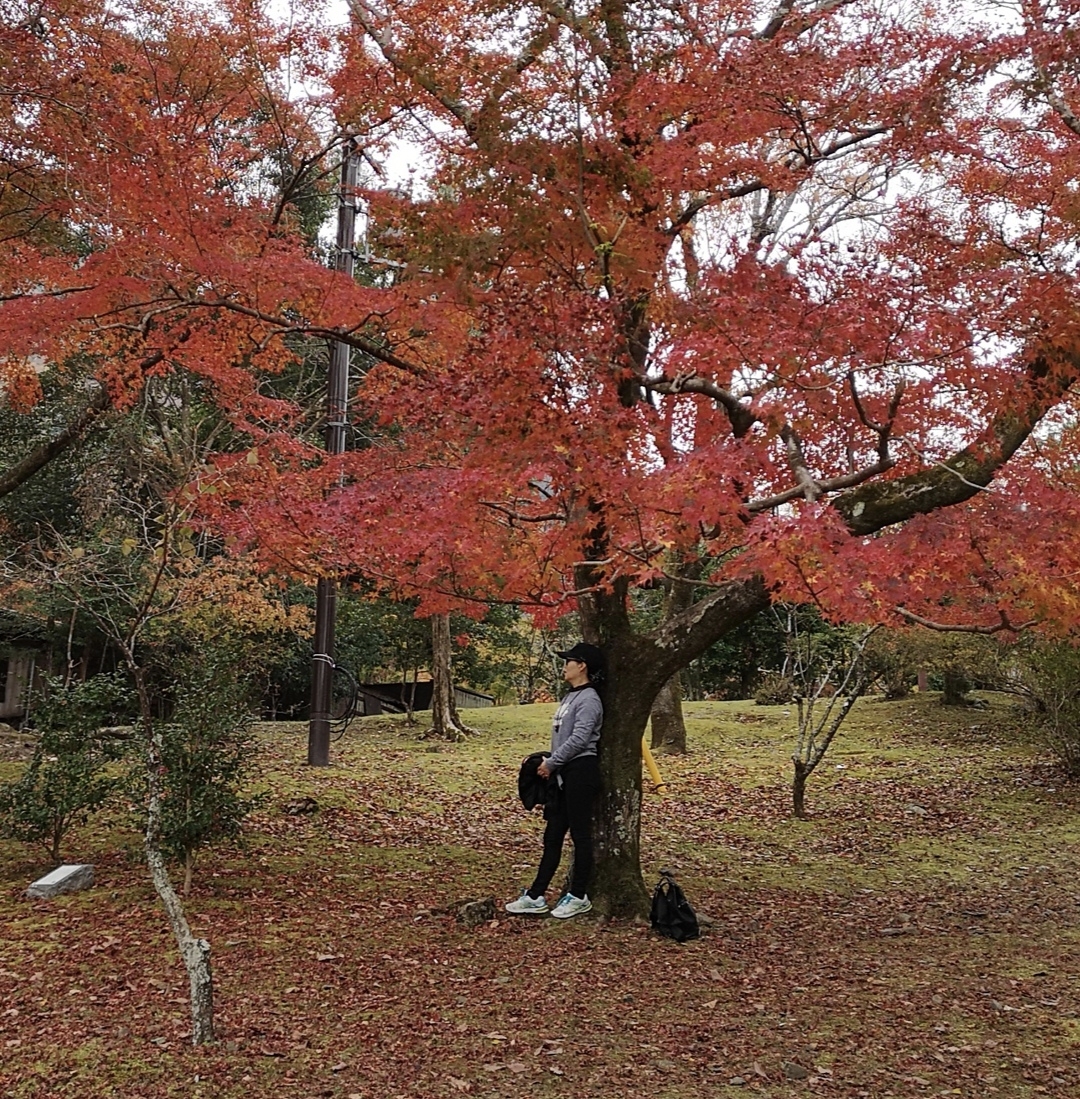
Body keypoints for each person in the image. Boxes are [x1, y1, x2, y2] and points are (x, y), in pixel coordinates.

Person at [505, 642, 604, 919]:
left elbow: (580, 739)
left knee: (580, 835)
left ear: (581, 665)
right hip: (563, 773)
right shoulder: (570, 697)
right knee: (553, 836)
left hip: (581, 772)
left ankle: (579, 895)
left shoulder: (589, 699)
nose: (564, 666)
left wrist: (552, 762)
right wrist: (547, 761)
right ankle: (536, 896)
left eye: (568, 661)